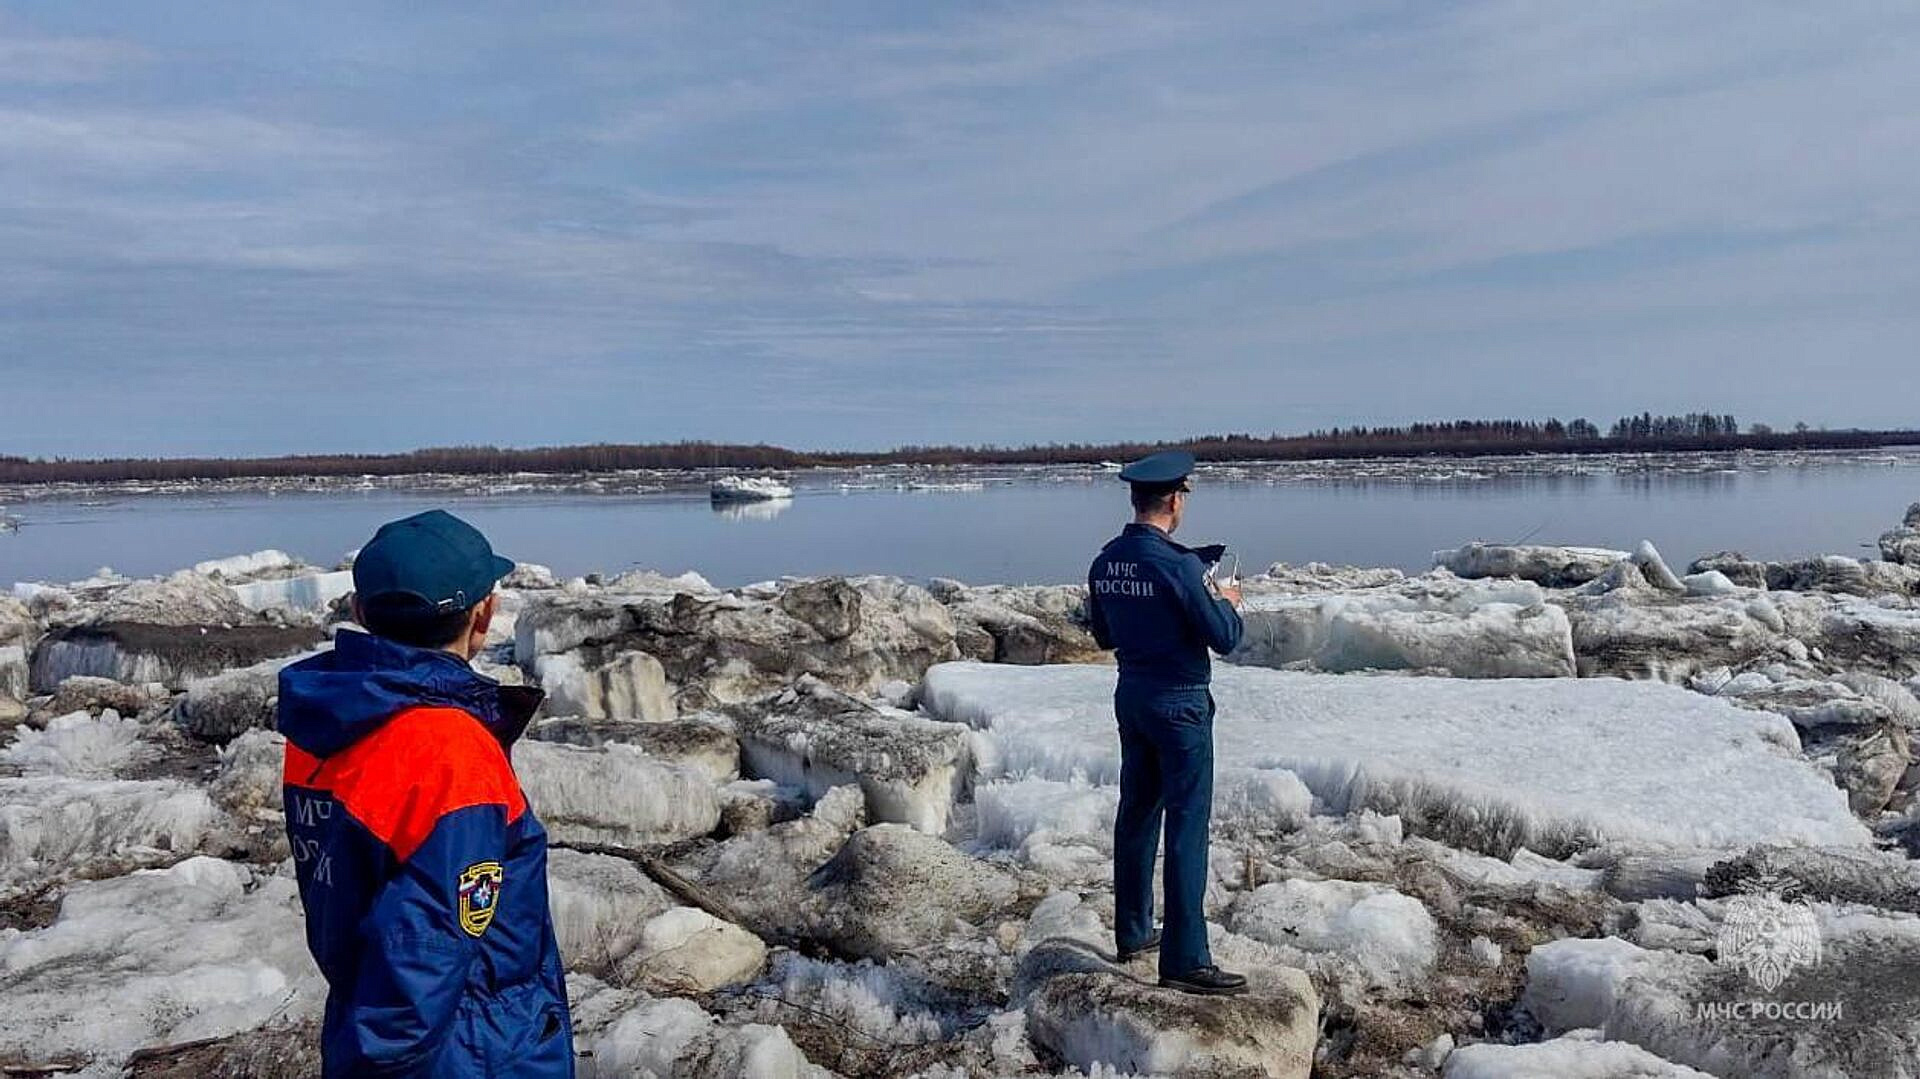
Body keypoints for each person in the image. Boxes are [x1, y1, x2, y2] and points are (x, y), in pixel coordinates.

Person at [278, 510, 573, 1076]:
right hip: (469, 1047)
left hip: (367, 1007)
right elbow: (423, 960)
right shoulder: (449, 751)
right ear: (485, 614)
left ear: (362, 612)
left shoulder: (331, 721)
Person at [1086, 451, 1247, 996]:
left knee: (1136, 812)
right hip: (1179, 704)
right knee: (1185, 825)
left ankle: (1133, 930)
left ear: (1137, 499)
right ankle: (1185, 957)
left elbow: (1104, 635)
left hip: (1132, 695)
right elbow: (1224, 637)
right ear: (1175, 500)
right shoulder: (1180, 567)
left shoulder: (1106, 562)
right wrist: (1227, 600)